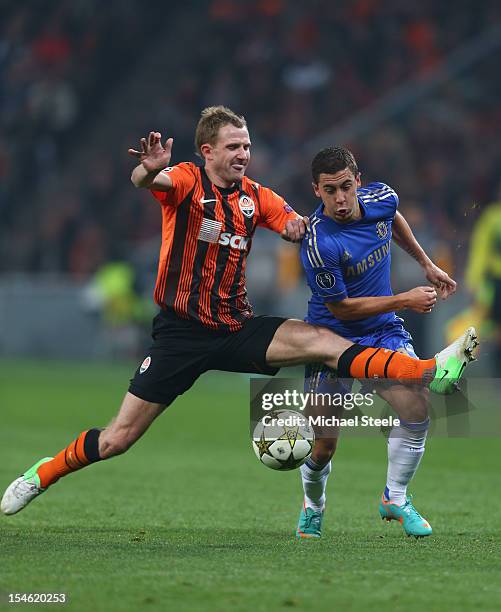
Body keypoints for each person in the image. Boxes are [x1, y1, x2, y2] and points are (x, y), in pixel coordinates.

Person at [1, 107, 477, 518]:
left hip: (236, 327)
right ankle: (41, 474)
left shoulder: (256, 196)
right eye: (232, 146)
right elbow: (149, 180)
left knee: (326, 342)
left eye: (246, 145)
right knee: (117, 439)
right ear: (207, 151)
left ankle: (428, 370)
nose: (242, 154)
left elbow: (295, 224)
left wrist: (325, 221)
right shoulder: (186, 180)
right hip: (180, 336)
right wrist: (147, 171)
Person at [296, 146, 478, 540]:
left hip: (382, 332)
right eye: (330, 191)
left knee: (416, 406)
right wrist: (403, 299)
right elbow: (341, 309)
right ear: (317, 191)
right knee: (323, 445)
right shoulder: (319, 243)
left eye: (346, 186)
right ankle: (313, 506)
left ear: (358, 181)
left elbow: (392, 219)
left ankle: (395, 497)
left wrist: (426, 264)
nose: (340, 198)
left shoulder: (381, 198)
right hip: (331, 342)